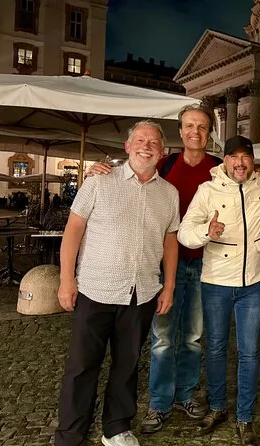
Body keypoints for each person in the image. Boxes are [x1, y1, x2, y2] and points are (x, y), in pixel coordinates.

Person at [86, 104, 222, 433]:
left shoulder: (219, 168)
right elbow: (131, 175)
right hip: (164, 264)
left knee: (192, 336)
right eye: (189, 126)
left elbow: (246, 179)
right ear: (181, 131)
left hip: (206, 263)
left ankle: (186, 394)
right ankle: (159, 402)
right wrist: (98, 170)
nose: (195, 132)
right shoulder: (164, 163)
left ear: (209, 133)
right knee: (163, 337)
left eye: (202, 127)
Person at [54, 121, 180, 446]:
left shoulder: (169, 193)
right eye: (140, 140)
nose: (146, 146)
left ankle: (116, 428)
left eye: (153, 142)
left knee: (127, 365)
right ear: (127, 147)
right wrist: (66, 279)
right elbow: (73, 229)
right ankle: (70, 434)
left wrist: (168, 286)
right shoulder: (99, 181)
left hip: (141, 293)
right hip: (95, 289)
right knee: (82, 366)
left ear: (162, 152)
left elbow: (170, 241)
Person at [178, 135, 260, 446]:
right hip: (216, 282)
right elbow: (184, 232)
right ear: (224, 160)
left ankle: (245, 416)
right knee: (215, 348)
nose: (240, 162)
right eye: (233, 156)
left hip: (253, 282)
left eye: (245, 156)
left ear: (253, 160)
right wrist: (206, 232)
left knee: (250, 352)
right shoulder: (207, 190)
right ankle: (218, 407)